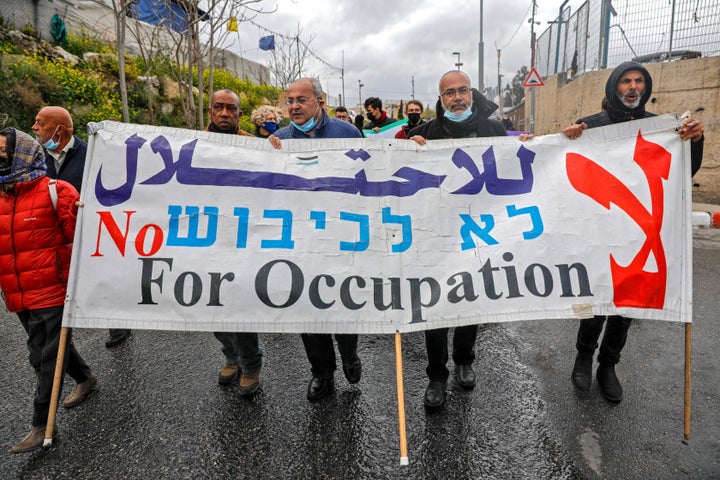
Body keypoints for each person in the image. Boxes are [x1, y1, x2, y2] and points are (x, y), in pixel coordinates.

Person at [563, 61, 704, 403]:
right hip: (601, 229)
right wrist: (568, 138)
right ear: (614, 86)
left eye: (639, 81)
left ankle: (608, 366)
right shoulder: (591, 126)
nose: (632, 87)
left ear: (646, 88)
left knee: (628, 303)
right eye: (626, 80)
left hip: (640, 231)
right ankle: (584, 356)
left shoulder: (659, 128)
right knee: (597, 297)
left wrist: (694, 141)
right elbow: (565, 166)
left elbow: (685, 169)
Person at [408, 70, 508, 409]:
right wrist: (406, 150)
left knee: (469, 301)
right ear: (441, 99)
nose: (457, 98)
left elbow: (511, 171)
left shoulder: (494, 130)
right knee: (434, 306)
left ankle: (464, 360)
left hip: (477, 234)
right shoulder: (422, 134)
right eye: (449, 93)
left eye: (462, 90)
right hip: (434, 236)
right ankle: (437, 375)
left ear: (472, 93)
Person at [0, 128, 97, 453]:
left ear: (22, 154)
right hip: (18, 294)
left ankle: (42, 425)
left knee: (44, 356)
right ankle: (85, 378)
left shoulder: (58, 191)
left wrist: (81, 215)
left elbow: (80, 238)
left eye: (2, 150)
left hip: (54, 291)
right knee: (45, 353)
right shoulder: (2, 198)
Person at [269, 77, 363, 402]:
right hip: (300, 239)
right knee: (308, 307)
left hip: (340, 235)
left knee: (343, 301)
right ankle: (322, 372)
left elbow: (366, 176)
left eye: (302, 100)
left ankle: (349, 354)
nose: (294, 106)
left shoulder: (347, 133)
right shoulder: (278, 140)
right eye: (289, 100)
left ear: (319, 102)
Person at [31, 106, 132, 348]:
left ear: (60, 130)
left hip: (88, 230)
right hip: (55, 234)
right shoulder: (39, 158)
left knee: (101, 276)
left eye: (40, 123)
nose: (34, 128)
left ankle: (116, 322)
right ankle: (62, 330)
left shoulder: (91, 155)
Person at [206, 89, 264, 395]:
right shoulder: (190, 145)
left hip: (242, 238)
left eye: (231, 109)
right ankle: (230, 357)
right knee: (212, 304)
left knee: (238, 305)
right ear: (210, 111)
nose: (225, 113)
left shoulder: (255, 147)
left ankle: (251, 365)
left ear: (240, 114)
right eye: (219, 108)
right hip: (206, 239)